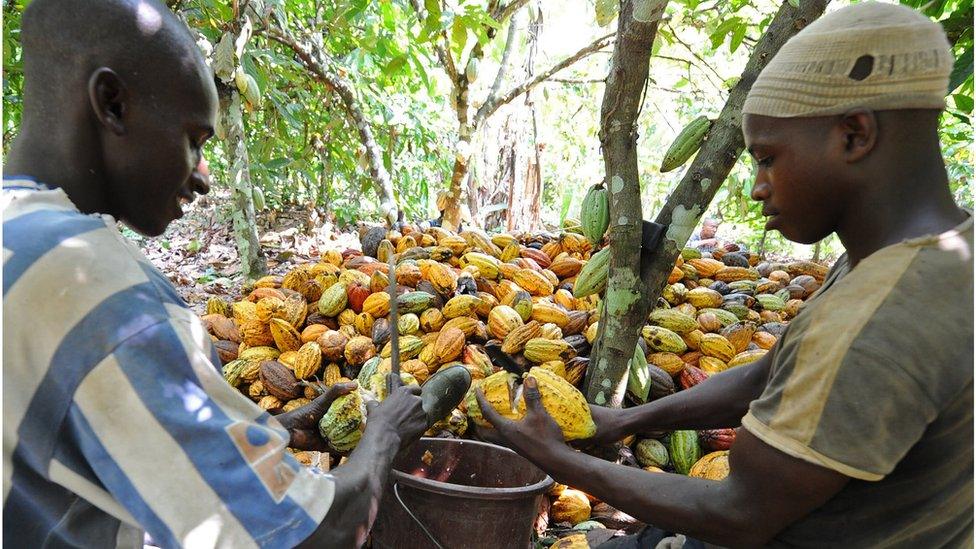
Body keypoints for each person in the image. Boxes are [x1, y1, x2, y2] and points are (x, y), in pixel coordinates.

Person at [477, 3, 973, 547]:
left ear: (854, 135)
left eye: (766, 157)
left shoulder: (880, 319)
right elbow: (766, 377)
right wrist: (617, 422)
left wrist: (557, 460)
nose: (758, 186)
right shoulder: (918, 256)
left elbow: (739, 511)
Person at [2, 1, 427, 547]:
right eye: (194, 140)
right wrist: (383, 434)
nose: (203, 177)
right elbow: (312, 537)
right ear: (112, 104)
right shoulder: (106, 296)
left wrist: (265, 429)